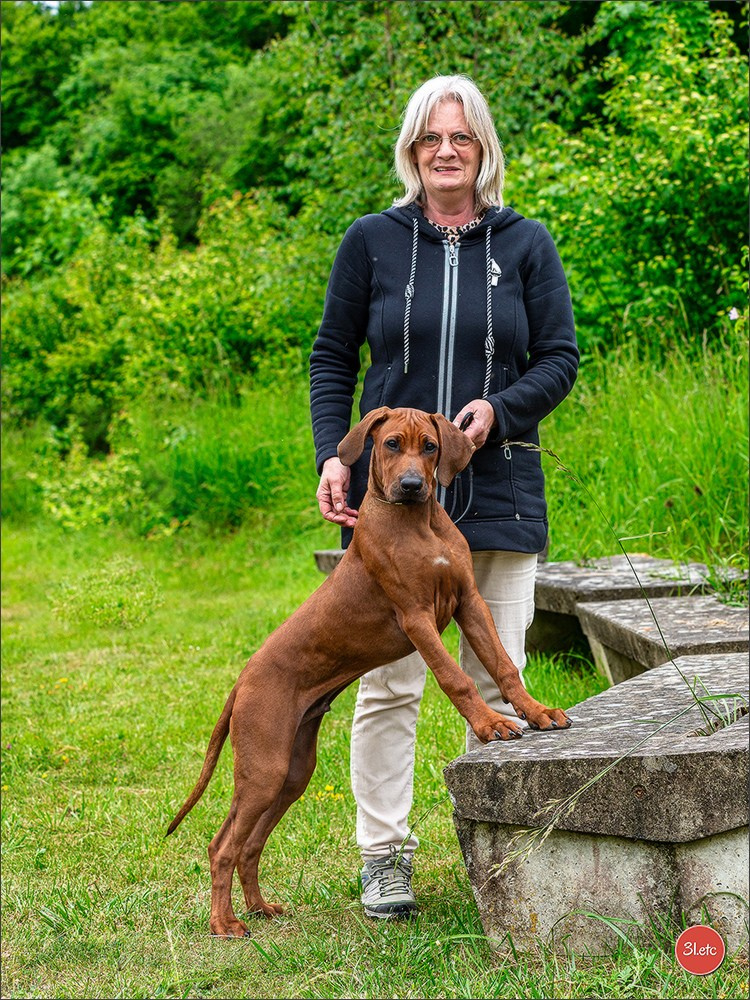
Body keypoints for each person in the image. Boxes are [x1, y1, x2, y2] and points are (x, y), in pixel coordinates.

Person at [309, 74, 578, 920]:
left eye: (461, 138)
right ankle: (384, 856)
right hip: (391, 498)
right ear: (414, 151)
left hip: (496, 484)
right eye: (432, 139)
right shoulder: (372, 241)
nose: (447, 152)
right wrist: (333, 457)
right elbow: (331, 359)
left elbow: (562, 358)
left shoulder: (526, 243)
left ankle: (500, 855)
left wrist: (501, 410)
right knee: (389, 686)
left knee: (501, 679)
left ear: (483, 148)